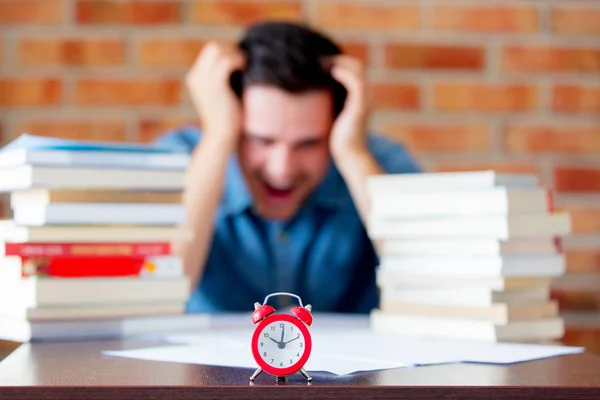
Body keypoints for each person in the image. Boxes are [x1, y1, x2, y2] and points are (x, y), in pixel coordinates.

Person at [156, 21, 421, 314]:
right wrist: (218, 136)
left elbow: (430, 289)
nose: (282, 170)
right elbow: (156, 295)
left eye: (308, 143)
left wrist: (352, 154)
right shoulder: (176, 161)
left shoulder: (378, 164)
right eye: (261, 140)